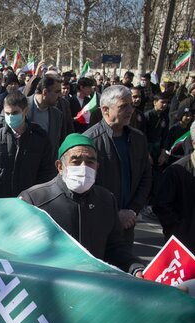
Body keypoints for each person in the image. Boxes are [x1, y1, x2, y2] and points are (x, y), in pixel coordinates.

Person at [19, 134, 145, 276]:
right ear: (60, 166)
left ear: (97, 167)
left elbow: (114, 247)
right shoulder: (35, 199)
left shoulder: (106, 199)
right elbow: (20, 251)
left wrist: (135, 267)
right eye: (76, 161)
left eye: (90, 161)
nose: (83, 167)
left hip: (93, 287)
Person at [83, 85, 152, 251]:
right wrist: (115, 214)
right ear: (105, 110)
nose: (130, 110)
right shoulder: (89, 141)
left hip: (128, 223)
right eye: (123, 106)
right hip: (97, 224)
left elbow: (146, 176)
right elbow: (84, 186)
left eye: (131, 105)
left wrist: (133, 210)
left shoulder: (138, 139)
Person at [0, 91, 55, 198]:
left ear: (25, 111)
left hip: (30, 200)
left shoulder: (40, 138)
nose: (11, 117)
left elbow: (46, 172)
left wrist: (36, 195)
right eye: (7, 113)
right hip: (1, 199)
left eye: (15, 113)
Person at [153, 122, 195, 252]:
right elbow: (161, 206)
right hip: (183, 246)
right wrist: (179, 230)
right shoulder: (176, 171)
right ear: (193, 143)